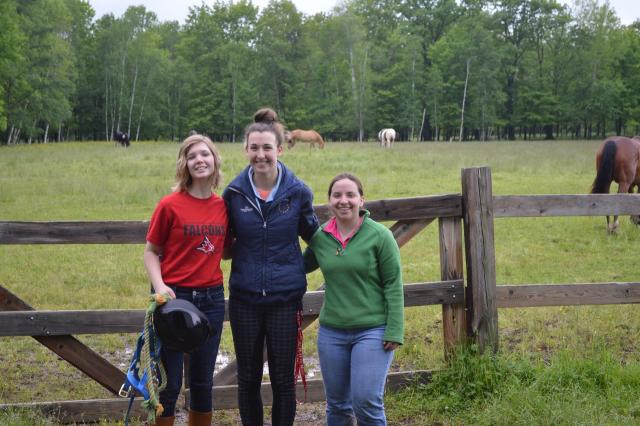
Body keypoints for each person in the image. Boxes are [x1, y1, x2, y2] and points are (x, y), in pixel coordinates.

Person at [223, 107, 319, 426]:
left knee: (282, 380)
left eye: (267, 148)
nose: (261, 154)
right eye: (254, 148)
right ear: (246, 150)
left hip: (284, 300)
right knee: (248, 378)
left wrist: (295, 270)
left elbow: (316, 240)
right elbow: (222, 242)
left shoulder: (298, 192)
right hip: (245, 300)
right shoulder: (234, 194)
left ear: (279, 149)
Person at [304, 172, 404, 426]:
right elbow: (298, 266)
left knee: (366, 402)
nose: (343, 200)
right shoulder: (321, 238)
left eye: (350, 195)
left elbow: (393, 284)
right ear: (329, 201)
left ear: (362, 200)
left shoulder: (380, 236)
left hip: (372, 330)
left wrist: (395, 329)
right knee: (337, 406)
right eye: (337, 195)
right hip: (332, 332)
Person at [143, 134, 229, 426]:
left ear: (215, 160)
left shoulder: (223, 207)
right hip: (174, 299)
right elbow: (151, 252)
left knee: (203, 382)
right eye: (192, 156)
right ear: (185, 164)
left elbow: (227, 248)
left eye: (205, 154)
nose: (199, 160)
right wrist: (159, 287)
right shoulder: (169, 205)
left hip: (212, 299)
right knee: (169, 384)